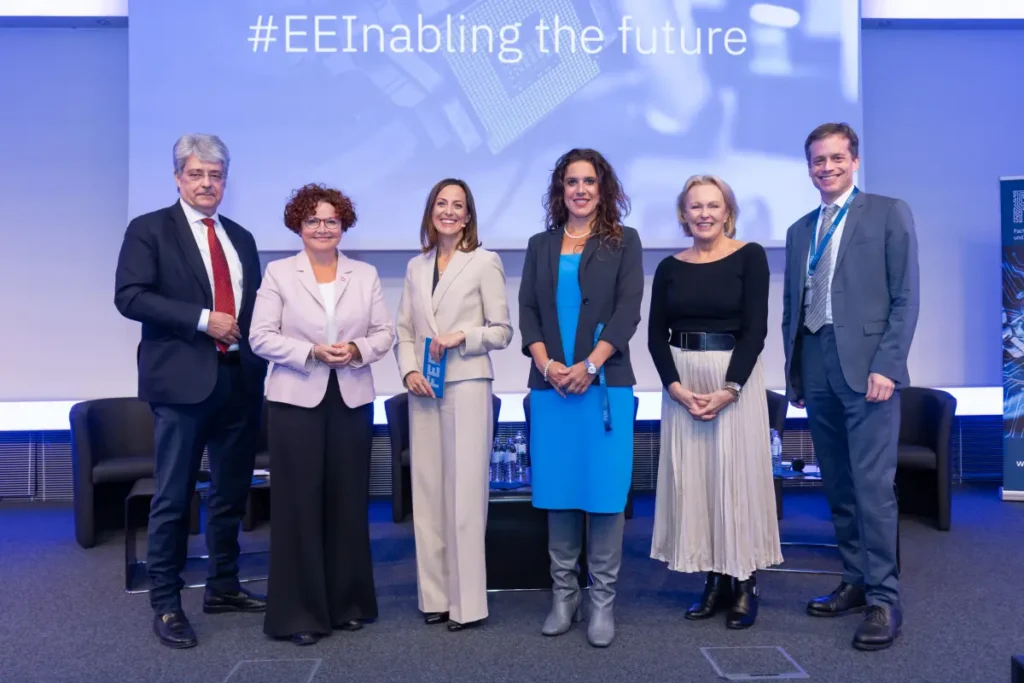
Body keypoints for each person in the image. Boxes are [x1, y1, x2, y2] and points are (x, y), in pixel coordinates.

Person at [114, 134, 268, 649]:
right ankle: (166, 603)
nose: (207, 184)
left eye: (216, 175)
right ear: (178, 177)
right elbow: (130, 296)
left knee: (229, 496)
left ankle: (223, 585)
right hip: (181, 385)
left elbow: (252, 313)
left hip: (239, 382)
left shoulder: (241, 237)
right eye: (197, 174)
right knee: (174, 497)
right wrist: (203, 320)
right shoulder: (149, 230)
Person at [782, 123, 919, 651]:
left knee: (872, 488)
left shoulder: (888, 212)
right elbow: (794, 305)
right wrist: (795, 372)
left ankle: (886, 599)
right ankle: (857, 580)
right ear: (809, 166)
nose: (827, 167)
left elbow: (906, 297)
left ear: (855, 160)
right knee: (837, 484)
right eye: (818, 160)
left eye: (837, 158)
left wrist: (888, 364)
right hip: (816, 364)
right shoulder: (799, 230)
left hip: (869, 370)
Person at [249, 183, 395, 646]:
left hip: (351, 398)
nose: (322, 228)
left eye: (331, 220)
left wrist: (354, 349)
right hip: (295, 401)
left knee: (348, 503)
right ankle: (300, 615)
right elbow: (260, 337)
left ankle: (349, 603)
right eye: (313, 220)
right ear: (298, 225)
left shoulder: (365, 274)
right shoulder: (278, 273)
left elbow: (384, 334)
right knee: (297, 507)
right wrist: (311, 351)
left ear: (343, 225)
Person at [518, 148, 644, 648]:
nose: (580, 190)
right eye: (571, 182)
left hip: (605, 386)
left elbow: (628, 312)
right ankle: (563, 597)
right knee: (559, 491)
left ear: (603, 188)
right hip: (550, 388)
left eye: (589, 181)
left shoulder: (624, 242)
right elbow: (527, 310)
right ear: (560, 190)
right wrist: (548, 365)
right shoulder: (539, 244)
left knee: (606, 495)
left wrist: (590, 365)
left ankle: (602, 602)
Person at [647, 175, 783, 629]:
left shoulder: (751, 256)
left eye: (713, 205)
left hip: (734, 381)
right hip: (684, 386)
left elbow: (756, 331)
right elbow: (654, 337)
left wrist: (730, 389)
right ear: (683, 214)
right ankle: (712, 580)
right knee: (700, 484)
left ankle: (744, 583)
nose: (704, 213)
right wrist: (674, 387)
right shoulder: (669, 267)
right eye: (695, 206)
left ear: (728, 211)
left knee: (736, 481)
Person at [394, 178, 513, 631]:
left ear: (468, 216)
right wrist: (408, 372)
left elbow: (502, 331)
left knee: (464, 498)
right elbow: (404, 330)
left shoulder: (485, 262)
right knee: (427, 496)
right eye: (440, 204)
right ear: (431, 213)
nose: (448, 211)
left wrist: (464, 335)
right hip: (423, 389)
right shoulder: (415, 266)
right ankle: (436, 598)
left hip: (466, 385)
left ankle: (468, 605)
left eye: (457, 205)